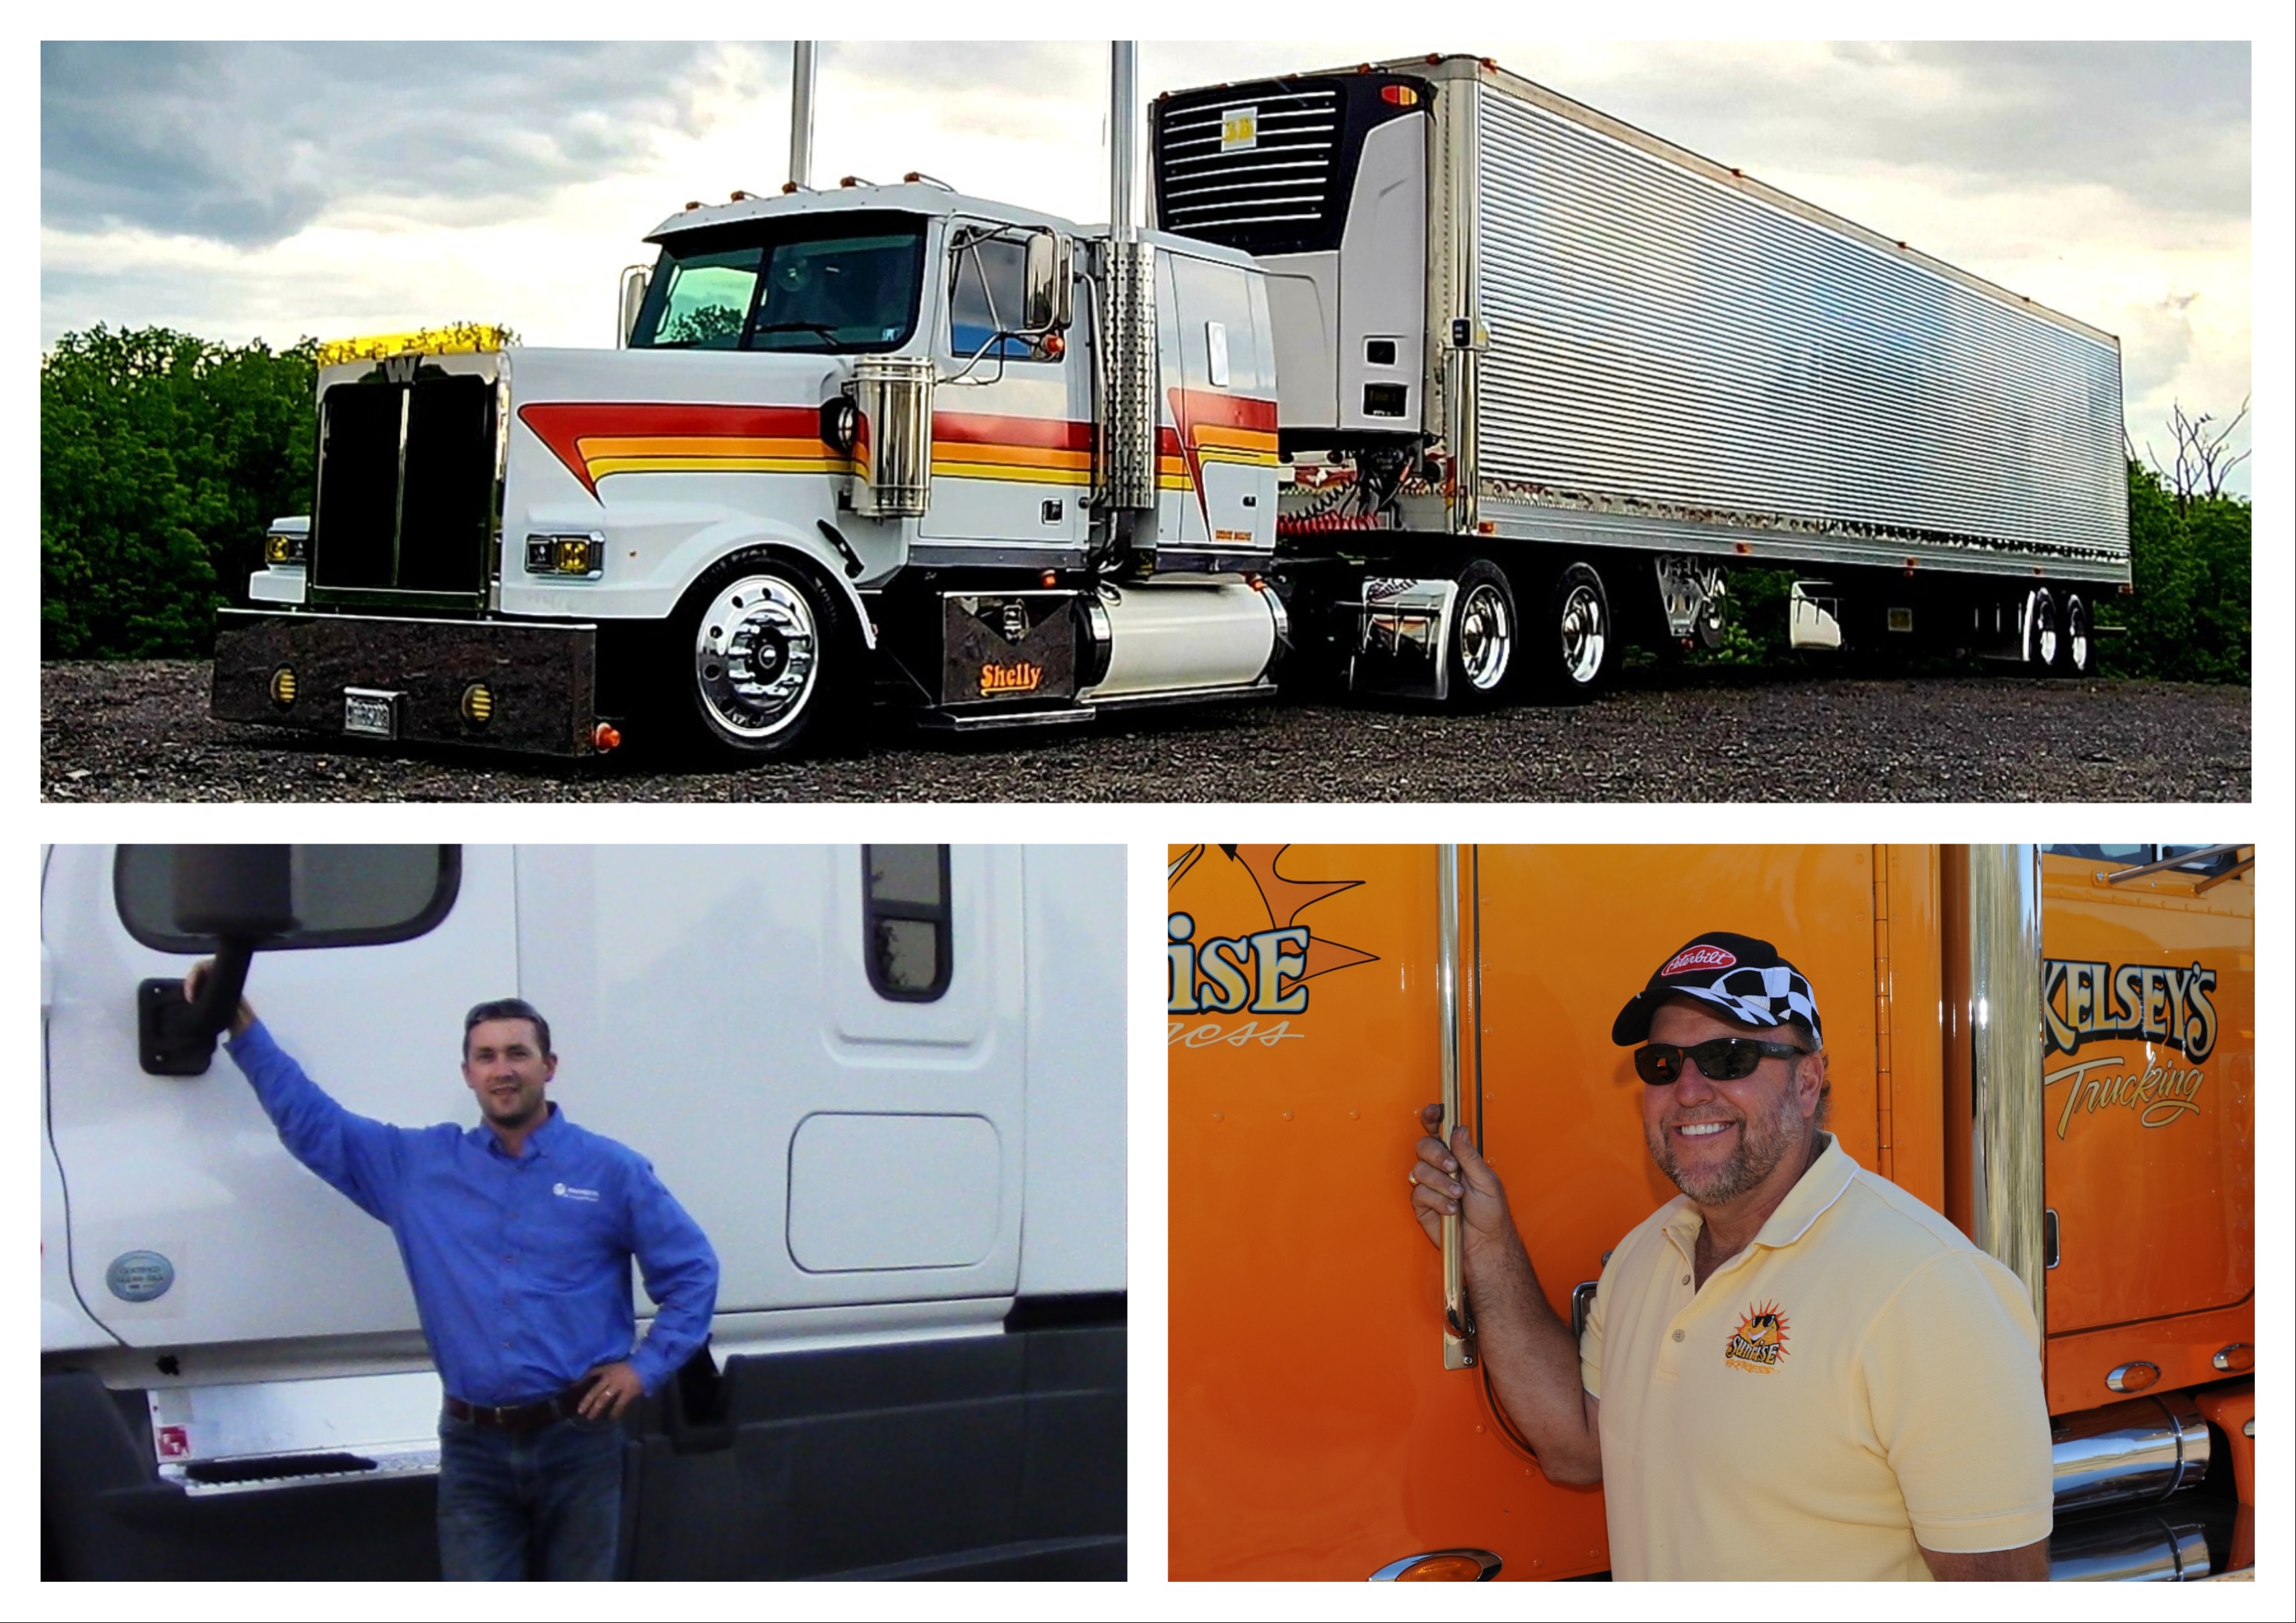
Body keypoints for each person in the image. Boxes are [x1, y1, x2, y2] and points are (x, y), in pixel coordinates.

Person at [1405, 931, 2054, 1581]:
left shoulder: (1930, 1289)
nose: (1688, 1089)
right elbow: (1576, 1447)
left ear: (1807, 1081)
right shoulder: (1644, 1255)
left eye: (1728, 1056)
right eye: (1663, 1062)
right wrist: (1487, 1249)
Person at [188, 964, 719, 1582]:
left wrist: (645, 1367)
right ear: (468, 1073)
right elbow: (313, 1124)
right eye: (486, 1056)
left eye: (518, 1053)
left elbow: (693, 1273)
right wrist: (242, 1026)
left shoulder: (612, 1171)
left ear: (549, 1066)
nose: (503, 1069)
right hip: (474, 1447)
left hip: (580, 1439)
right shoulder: (417, 1169)